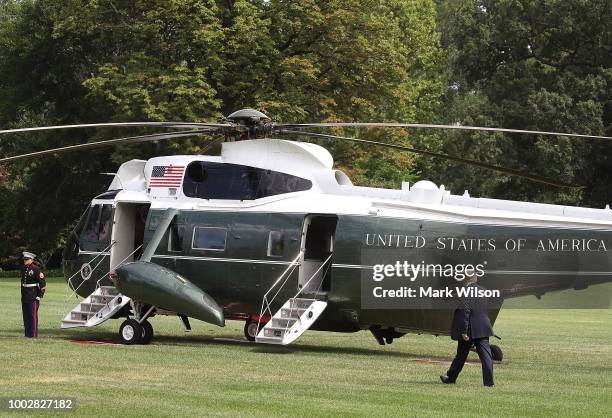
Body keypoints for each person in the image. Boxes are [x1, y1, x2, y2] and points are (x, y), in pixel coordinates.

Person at [440, 271, 494, 386]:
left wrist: (464, 331)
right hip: (483, 327)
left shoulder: (466, 291)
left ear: (465, 280)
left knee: (461, 355)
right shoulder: (484, 290)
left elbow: (466, 311)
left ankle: (451, 377)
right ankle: (489, 383)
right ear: (475, 279)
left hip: (469, 329)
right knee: (486, 357)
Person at [20, 251, 46, 338]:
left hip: (33, 295)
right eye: (24, 259)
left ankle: (33, 334)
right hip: (25, 295)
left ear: (31, 259)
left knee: (32, 315)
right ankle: (27, 334)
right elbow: (23, 283)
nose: (25, 261)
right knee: (26, 315)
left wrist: (39, 296)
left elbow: (42, 284)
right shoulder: (23, 268)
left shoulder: (36, 269)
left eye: (26, 259)